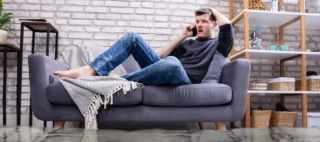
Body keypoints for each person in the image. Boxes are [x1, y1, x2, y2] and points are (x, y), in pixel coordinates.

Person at [54, 8, 234, 86]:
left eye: (204, 21)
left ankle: (119, 78)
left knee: (172, 63)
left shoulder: (219, 45)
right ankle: (91, 70)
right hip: (168, 68)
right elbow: (159, 57)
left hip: (185, 79)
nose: (200, 24)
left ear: (214, 24)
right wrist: (183, 36)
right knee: (133, 37)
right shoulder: (188, 42)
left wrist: (210, 9)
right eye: (197, 21)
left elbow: (228, 25)